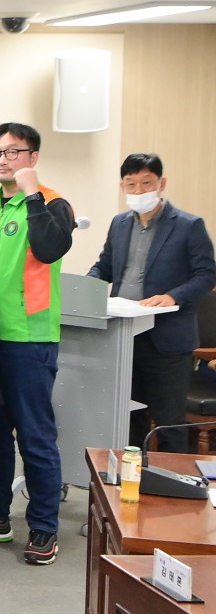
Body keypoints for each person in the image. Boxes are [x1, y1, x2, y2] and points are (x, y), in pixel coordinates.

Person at [0, 123, 75, 566]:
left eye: (13, 152)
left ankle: (44, 527)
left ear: (33, 157)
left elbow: (50, 249)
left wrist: (31, 194)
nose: (2, 159)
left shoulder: (52, 203)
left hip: (29, 339)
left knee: (34, 435)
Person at [88, 153, 216, 453]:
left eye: (146, 183)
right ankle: (130, 480)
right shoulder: (119, 223)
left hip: (167, 340)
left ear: (162, 183)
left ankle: (174, 481)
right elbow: (104, 266)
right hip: (124, 337)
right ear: (122, 186)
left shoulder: (188, 225)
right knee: (127, 418)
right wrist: (87, 288)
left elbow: (206, 274)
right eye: (131, 184)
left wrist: (173, 296)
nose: (138, 191)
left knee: (169, 422)